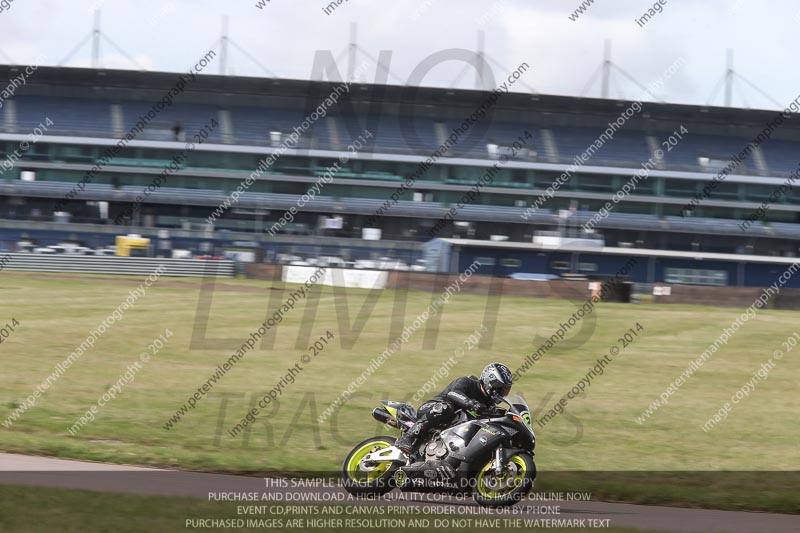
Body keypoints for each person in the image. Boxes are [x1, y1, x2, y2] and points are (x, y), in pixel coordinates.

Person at [395, 362, 514, 455]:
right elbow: (453, 394)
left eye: (505, 390)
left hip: (450, 429)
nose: (502, 393)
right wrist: (472, 403)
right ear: (490, 381)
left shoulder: (489, 403)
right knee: (446, 407)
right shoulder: (468, 382)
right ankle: (408, 437)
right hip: (431, 408)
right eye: (500, 388)